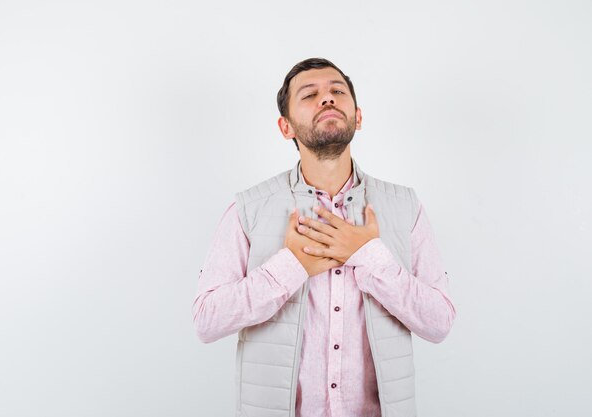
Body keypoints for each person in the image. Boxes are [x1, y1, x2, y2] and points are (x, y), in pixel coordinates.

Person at [192, 57, 456, 417]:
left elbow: (439, 322)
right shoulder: (248, 209)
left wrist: (370, 256)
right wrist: (290, 267)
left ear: (358, 117)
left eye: (337, 91)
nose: (327, 99)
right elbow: (206, 321)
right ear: (286, 127)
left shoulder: (405, 207)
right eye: (310, 94)